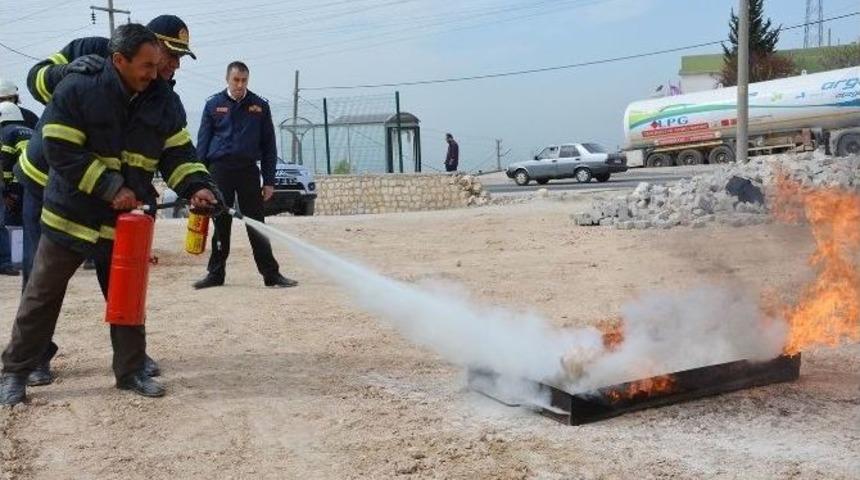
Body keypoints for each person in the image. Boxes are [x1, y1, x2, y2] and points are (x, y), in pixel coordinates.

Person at [0, 24, 217, 406]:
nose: (157, 73)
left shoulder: (163, 102)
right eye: (148, 65)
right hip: (71, 212)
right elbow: (61, 148)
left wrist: (196, 186)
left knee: (126, 295)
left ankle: (130, 370)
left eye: (159, 65)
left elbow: (178, 153)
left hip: (123, 221)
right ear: (120, 60)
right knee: (42, 292)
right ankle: (16, 372)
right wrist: (111, 187)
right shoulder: (81, 86)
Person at [193, 61, 297, 290]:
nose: (240, 85)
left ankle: (271, 275)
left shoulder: (259, 106)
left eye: (244, 80)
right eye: (236, 80)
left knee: (257, 224)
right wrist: (200, 181)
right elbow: (202, 145)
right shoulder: (213, 105)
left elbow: (269, 146)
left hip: (248, 171)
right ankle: (215, 274)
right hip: (220, 170)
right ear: (227, 79)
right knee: (221, 223)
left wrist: (269, 181)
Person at [0, 102, 33, 277]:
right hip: (35, 181)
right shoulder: (28, 129)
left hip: (16, 181)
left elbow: (6, 161)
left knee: (7, 222)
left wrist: (7, 189)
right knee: (29, 223)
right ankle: (27, 260)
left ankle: (7, 261)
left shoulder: (6, 132)